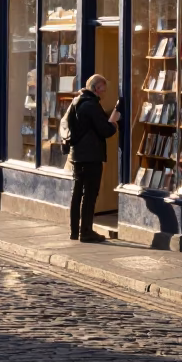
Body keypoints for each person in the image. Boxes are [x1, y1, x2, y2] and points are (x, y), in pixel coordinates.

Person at [67, 74, 121, 243]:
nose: (104, 93)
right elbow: (104, 130)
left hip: (77, 155)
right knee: (90, 195)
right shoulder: (91, 105)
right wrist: (113, 124)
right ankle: (87, 232)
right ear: (97, 88)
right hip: (90, 156)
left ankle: (75, 231)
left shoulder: (77, 102)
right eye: (103, 90)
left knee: (77, 194)